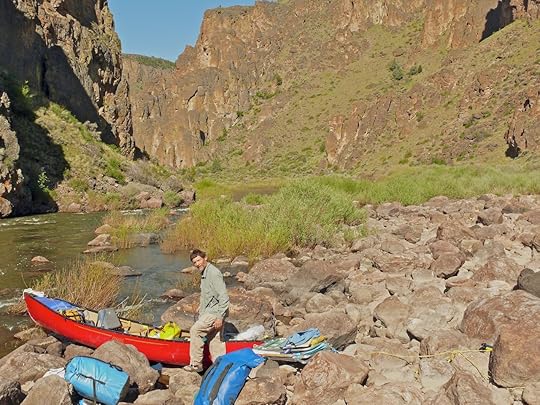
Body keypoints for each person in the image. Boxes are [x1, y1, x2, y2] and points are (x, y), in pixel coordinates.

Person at [183, 249, 230, 372]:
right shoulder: (204, 272)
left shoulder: (213, 273)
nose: (197, 264)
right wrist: (201, 306)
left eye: (198, 260)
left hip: (215, 312)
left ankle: (196, 364)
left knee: (195, 330)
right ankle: (221, 366)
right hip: (210, 310)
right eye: (194, 262)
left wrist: (220, 317)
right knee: (214, 339)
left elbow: (223, 296)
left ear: (205, 258)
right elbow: (208, 294)